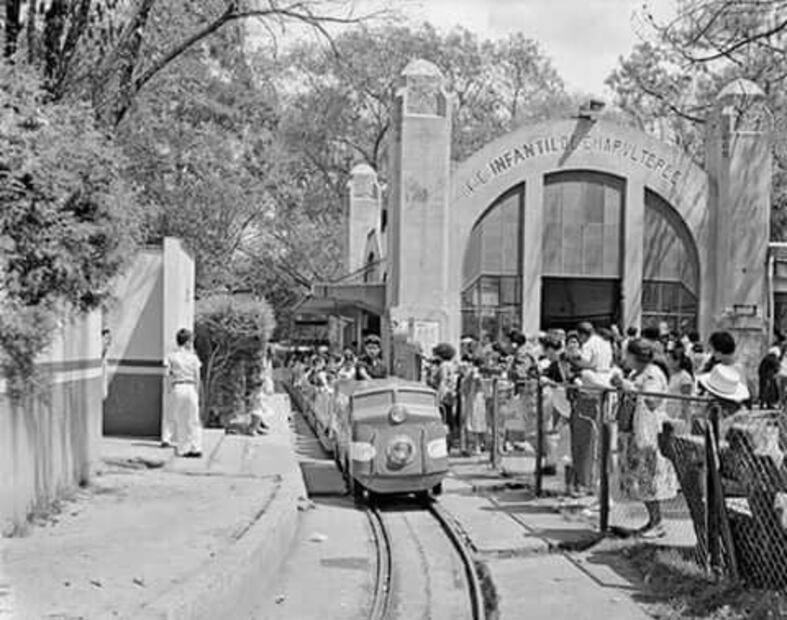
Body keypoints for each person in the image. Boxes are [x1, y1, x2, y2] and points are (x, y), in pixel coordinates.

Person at [611, 339, 678, 538]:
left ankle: (658, 523)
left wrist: (628, 386)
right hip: (633, 431)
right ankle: (652, 521)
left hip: (647, 433)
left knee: (648, 478)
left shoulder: (652, 374)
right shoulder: (636, 374)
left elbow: (652, 400)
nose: (625, 358)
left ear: (634, 355)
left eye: (627, 354)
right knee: (641, 479)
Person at [164, 328, 203, 458]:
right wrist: (197, 392)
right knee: (194, 419)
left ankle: (183, 449)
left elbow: (167, 374)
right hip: (190, 386)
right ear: (187, 342)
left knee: (181, 419)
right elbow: (197, 376)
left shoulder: (171, 356)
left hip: (178, 386)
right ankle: (196, 447)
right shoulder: (193, 357)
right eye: (191, 340)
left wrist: (169, 389)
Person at [665, 346, 695, 424]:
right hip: (669, 411)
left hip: (678, 414)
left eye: (668, 359)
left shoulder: (684, 377)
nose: (666, 361)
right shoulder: (671, 374)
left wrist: (683, 417)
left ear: (677, 361)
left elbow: (686, 400)